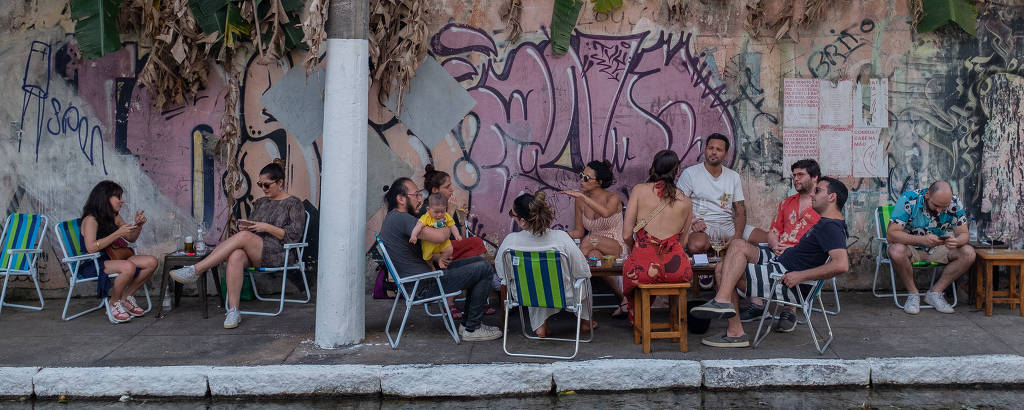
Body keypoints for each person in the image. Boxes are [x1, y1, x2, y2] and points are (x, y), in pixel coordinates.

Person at [690, 177, 850, 348]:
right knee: (737, 244)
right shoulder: (825, 223)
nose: (812, 194)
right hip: (779, 262)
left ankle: (733, 328)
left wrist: (800, 276)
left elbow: (841, 265)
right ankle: (723, 301)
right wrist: (790, 250)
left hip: (786, 280)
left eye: (818, 191)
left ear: (832, 197)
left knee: (723, 269)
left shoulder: (831, 227)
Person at [170, 160, 306, 329]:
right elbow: (254, 229)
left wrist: (265, 227)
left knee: (243, 237)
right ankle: (233, 311)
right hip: (257, 249)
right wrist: (248, 226)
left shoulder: (294, 204)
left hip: (280, 252)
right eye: (260, 184)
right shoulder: (262, 203)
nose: (263, 188)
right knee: (236, 256)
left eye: (266, 185)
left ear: (280, 182)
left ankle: (196, 270)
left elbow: (294, 236)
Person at [380, 177, 502, 341]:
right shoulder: (402, 218)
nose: (420, 199)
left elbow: (424, 248)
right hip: (424, 285)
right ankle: (472, 328)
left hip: (425, 280)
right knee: (484, 269)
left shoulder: (394, 219)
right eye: (416, 195)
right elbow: (439, 236)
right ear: (401, 199)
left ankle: (469, 325)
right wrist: (448, 213)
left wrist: (437, 258)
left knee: (480, 263)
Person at [496, 192, 594, 337]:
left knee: (533, 283)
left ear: (522, 221)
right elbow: (582, 271)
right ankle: (586, 322)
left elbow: (503, 274)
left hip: (526, 296)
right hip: (565, 295)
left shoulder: (511, 242)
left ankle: (540, 326)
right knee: (584, 280)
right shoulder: (561, 238)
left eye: (513, 214)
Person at [740, 159, 822, 323]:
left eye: (801, 175)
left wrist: (793, 249)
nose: (796, 179)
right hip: (776, 251)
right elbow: (773, 231)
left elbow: (821, 243)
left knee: (788, 264)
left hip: (801, 258)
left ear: (815, 177)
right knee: (738, 257)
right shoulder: (787, 203)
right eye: (794, 175)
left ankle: (789, 308)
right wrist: (774, 244)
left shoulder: (823, 206)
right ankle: (757, 305)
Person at [621, 150, 694, 322]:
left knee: (632, 271)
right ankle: (676, 326)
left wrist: (638, 248)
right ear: (677, 171)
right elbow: (683, 243)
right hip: (677, 270)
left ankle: (637, 318)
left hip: (644, 269)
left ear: (653, 167)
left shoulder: (639, 191)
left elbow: (626, 235)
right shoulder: (686, 201)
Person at [886, 181, 976, 314]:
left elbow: (964, 234)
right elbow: (891, 234)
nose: (939, 211)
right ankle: (913, 294)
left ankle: (935, 292)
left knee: (969, 253)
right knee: (895, 250)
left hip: (939, 246)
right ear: (927, 194)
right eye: (936, 205)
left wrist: (956, 242)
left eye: (944, 207)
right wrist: (921, 240)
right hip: (911, 246)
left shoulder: (955, 203)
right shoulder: (909, 199)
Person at [79, 180, 158, 324]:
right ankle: (114, 303)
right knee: (128, 267)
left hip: (114, 257)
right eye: (118, 197)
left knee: (151, 262)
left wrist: (138, 226)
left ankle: (126, 297)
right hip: (94, 262)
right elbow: (90, 247)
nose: (122, 201)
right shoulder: (91, 219)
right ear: (105, 198)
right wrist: (117, 234)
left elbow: (131, 238)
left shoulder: (114, 216)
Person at [562, 160, 629, 318]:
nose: (581, 180)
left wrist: (583, 197)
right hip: (595, 247)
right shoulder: (580, 201)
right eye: (581, 176)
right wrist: (557, 235)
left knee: (590, 240)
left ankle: (566, 280)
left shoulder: (613, 198)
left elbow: (606, 213)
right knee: (594, 256)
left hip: (616, 246)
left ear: (599, 182)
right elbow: (579, 231)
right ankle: (625, 300)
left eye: (586, 178)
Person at [676, 133, 751, 254]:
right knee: (697, 245)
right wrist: (692, 220)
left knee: (764, 238)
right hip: (702, 225)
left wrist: (737, 235)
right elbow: (677, 204)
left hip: (727, 225)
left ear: (725, 154)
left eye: (719, 149)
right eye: (710, 148)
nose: (714, 152)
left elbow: (740, 211)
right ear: (705, 150)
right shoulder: (690, 173)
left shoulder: (733, 176)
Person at [410, 193, 463, 268]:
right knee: (428, 257)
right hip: (430, 244)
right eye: (436, 212)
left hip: (443, 243)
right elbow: (418, 226)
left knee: (449, 249)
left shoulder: (446, 216)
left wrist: (457, 235)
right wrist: (414, 235)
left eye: (442, 211)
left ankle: (441, 259)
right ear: (428, 209)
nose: (439, 215)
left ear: (445, 209)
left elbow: (452, 226)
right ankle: (431, 266)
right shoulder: (426, 217)